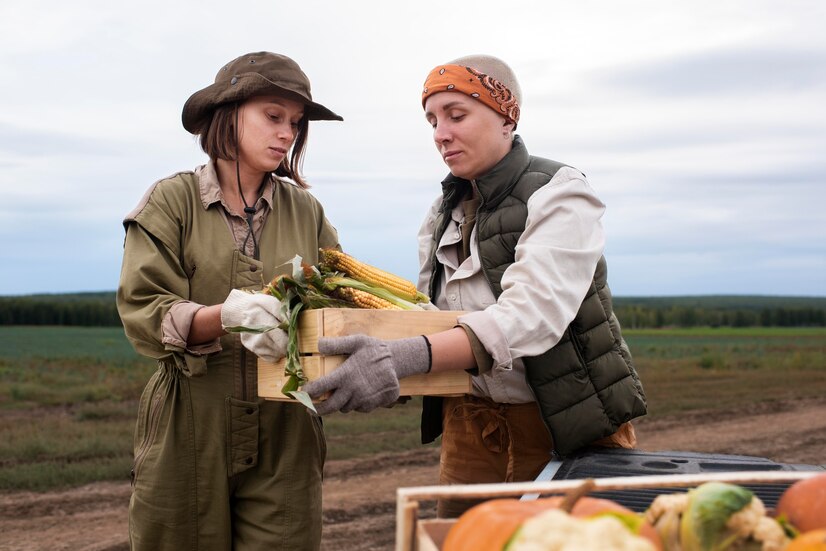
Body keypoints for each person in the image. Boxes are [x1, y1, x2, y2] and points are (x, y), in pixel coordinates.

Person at [302, 54, 648, 518]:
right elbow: (430, 317)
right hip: (470, 427)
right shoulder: (441, 213)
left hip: (564, 427)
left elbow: (530, 315)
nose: (440, 133)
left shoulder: (559, 192)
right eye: (432, 120)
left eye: (456, 115)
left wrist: (405, 356)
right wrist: (390, 372)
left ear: (507, 116)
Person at [116, 51, 342, 550]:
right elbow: (144, 308)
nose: (286, 133)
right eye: (272, 116)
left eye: (296, 123)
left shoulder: (306, 211)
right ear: (228, 113)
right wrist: (226, 316)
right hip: (190, 424)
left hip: (288, 425)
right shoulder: (170, 202)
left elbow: (337, 300)